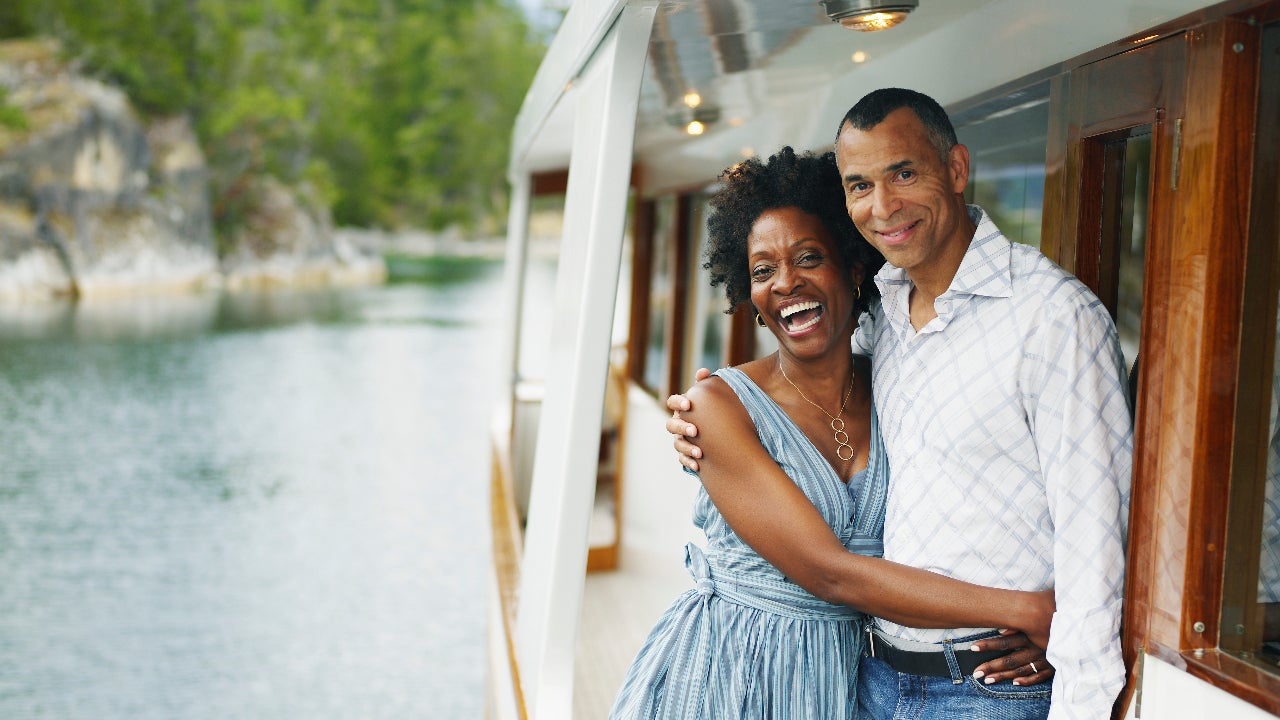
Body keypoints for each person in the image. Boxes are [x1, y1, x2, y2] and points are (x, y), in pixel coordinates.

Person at [667, 89, 1133, 720]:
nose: (883, 205)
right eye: (860, 185)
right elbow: (807, 355)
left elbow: (1097, 542)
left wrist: (1079, 691)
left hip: (992, 688)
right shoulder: (884, 319)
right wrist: (706, 406)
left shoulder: (1053, 319)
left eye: (904, 174)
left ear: (958, 169)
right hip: (870, 680)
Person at [610, 146, 1056, 720]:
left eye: (808, 258)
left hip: (851, 678)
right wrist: (1032, 611)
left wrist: (1029, 622)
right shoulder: (717, 409)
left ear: (851, 267)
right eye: (764, 271)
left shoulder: (895, 378)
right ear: (751, 299)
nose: (787, 282)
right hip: (735, 670)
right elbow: (830, 572)